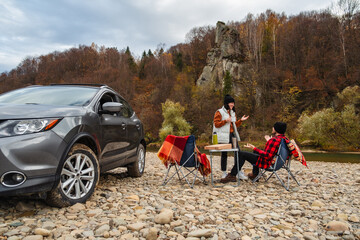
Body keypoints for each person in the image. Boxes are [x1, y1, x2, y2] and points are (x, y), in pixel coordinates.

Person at [220, 121, 299, 183]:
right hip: (278, 163)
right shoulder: (284, 139)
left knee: (242, 154)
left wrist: (254, 148)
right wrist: (268, 141)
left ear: (276, 129)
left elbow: (267, 155)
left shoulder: (274, 140)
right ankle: (255, 174)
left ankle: (232, 175)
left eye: (274, 127)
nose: (272, 128)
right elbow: (275, 150)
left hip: (267, 163)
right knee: (256, 152)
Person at [213, 94, 249, 180]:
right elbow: (216, 124)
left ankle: (238, 171)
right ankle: (224, 173)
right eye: (230, 103)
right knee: (224, 154)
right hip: (223, 136)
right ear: (226, 103)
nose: (232, 104)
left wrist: (240, 120)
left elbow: (234, 125)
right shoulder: (219, 112)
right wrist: (225, 121)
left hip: (232, 135)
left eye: (233, 103)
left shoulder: (233, 112)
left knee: (238, 152)